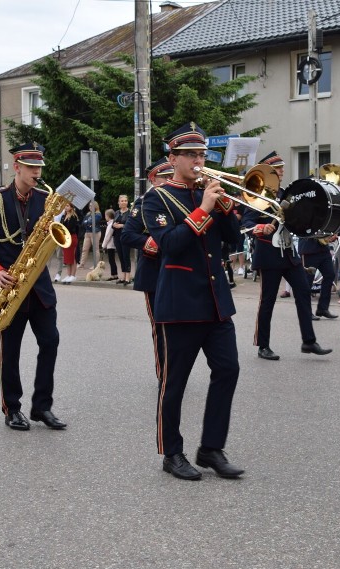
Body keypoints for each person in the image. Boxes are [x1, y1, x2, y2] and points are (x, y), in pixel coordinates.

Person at [141, 122, 244, 481]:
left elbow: (234, 240)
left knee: (228, 370)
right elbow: (169, 244)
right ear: (173, 158)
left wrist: (227, 207)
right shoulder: (157, 197)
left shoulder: (210, 192)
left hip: (216, 303)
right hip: (180, 304)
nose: (199, 161)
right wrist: (203, 209)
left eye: (202, 154)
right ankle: (172, 453)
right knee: (175, 383)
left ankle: (211, 448)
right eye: (191, 155)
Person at [0, 142, 66, 431]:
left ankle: (42, 407)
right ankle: (12, 408)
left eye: (39, 167)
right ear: (17, 167)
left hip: (39, 288)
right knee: (11, 351)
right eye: (31, 167)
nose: (37, 172)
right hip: (9, 286)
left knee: (50, 342)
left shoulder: (46, 198)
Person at [242, 150, 331, 361]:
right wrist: (260, 227)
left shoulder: (286, 192)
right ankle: (263, 345)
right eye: (277, 168)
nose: (282, 171)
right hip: (268, 253)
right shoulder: (256, 194)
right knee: (267, 301)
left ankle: (308, 341)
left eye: (282, 168)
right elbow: (246, 223)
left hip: (289, 252)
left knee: (303, 291)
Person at [121, 157, 174, 380]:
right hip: (154, 271)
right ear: (153, 179)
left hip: (178, 269)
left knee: (179, 325)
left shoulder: (179, 199)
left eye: (172, 175)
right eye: (165, 177)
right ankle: (164, 374)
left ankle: (177, 370)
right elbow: (127, 235)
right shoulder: (144, 202)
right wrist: (148, 243)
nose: (171, 180)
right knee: (160, 325)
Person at [299, 234, 339, 319]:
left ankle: (323, 309)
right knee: (307, 281)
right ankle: (306, 312)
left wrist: (330, 235)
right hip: (309, 248)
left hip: (323, 249)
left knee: (330, 274)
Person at [113, 194, 133, 285]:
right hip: (117, 236)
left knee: (126, 256)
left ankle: (128, 278)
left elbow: (132, 225)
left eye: (125, 200)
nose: (124, 202)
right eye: (122, 201)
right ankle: (123, 276)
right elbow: (113, 223)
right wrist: (114, 225)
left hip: (126, 236)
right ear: (118, 202)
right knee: (120, 256)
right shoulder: (117, 212)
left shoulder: (130, 212)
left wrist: (121, 225)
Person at [58, 203, 80, 283]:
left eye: (67, 206)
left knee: (72, 257)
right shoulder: (63, 216)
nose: (66, 207)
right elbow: (60, 225)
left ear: (71, 207)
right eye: (65, 206)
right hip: (65, 238)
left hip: (71, 237)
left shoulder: (73, 216)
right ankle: (68, 274)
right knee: (67, 257)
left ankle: (73, 275)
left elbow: (71, 227)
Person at [78, 202, 102, 269]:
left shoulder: (98, 214)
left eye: (92, 206)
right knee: (84, 249)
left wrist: (88, 222)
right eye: (90, 206)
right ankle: (82, 264)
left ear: (96, 206)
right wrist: (88, 222)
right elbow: (83, 223)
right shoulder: (88, 214)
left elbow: (93, 222)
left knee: (95, 249)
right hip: (87, 232)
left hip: (95, 233)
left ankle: (95, 265)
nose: (90, 207)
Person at [101, 208, 118, 280]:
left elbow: (107, 236)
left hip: (110, 245)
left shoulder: (110, 224)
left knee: (111, 260)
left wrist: (103, 245)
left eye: (105, 215)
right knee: (112, 260)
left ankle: (113, 275)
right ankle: (114, 274)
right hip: (111, 244)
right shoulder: (111, 223)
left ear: (108, 216)